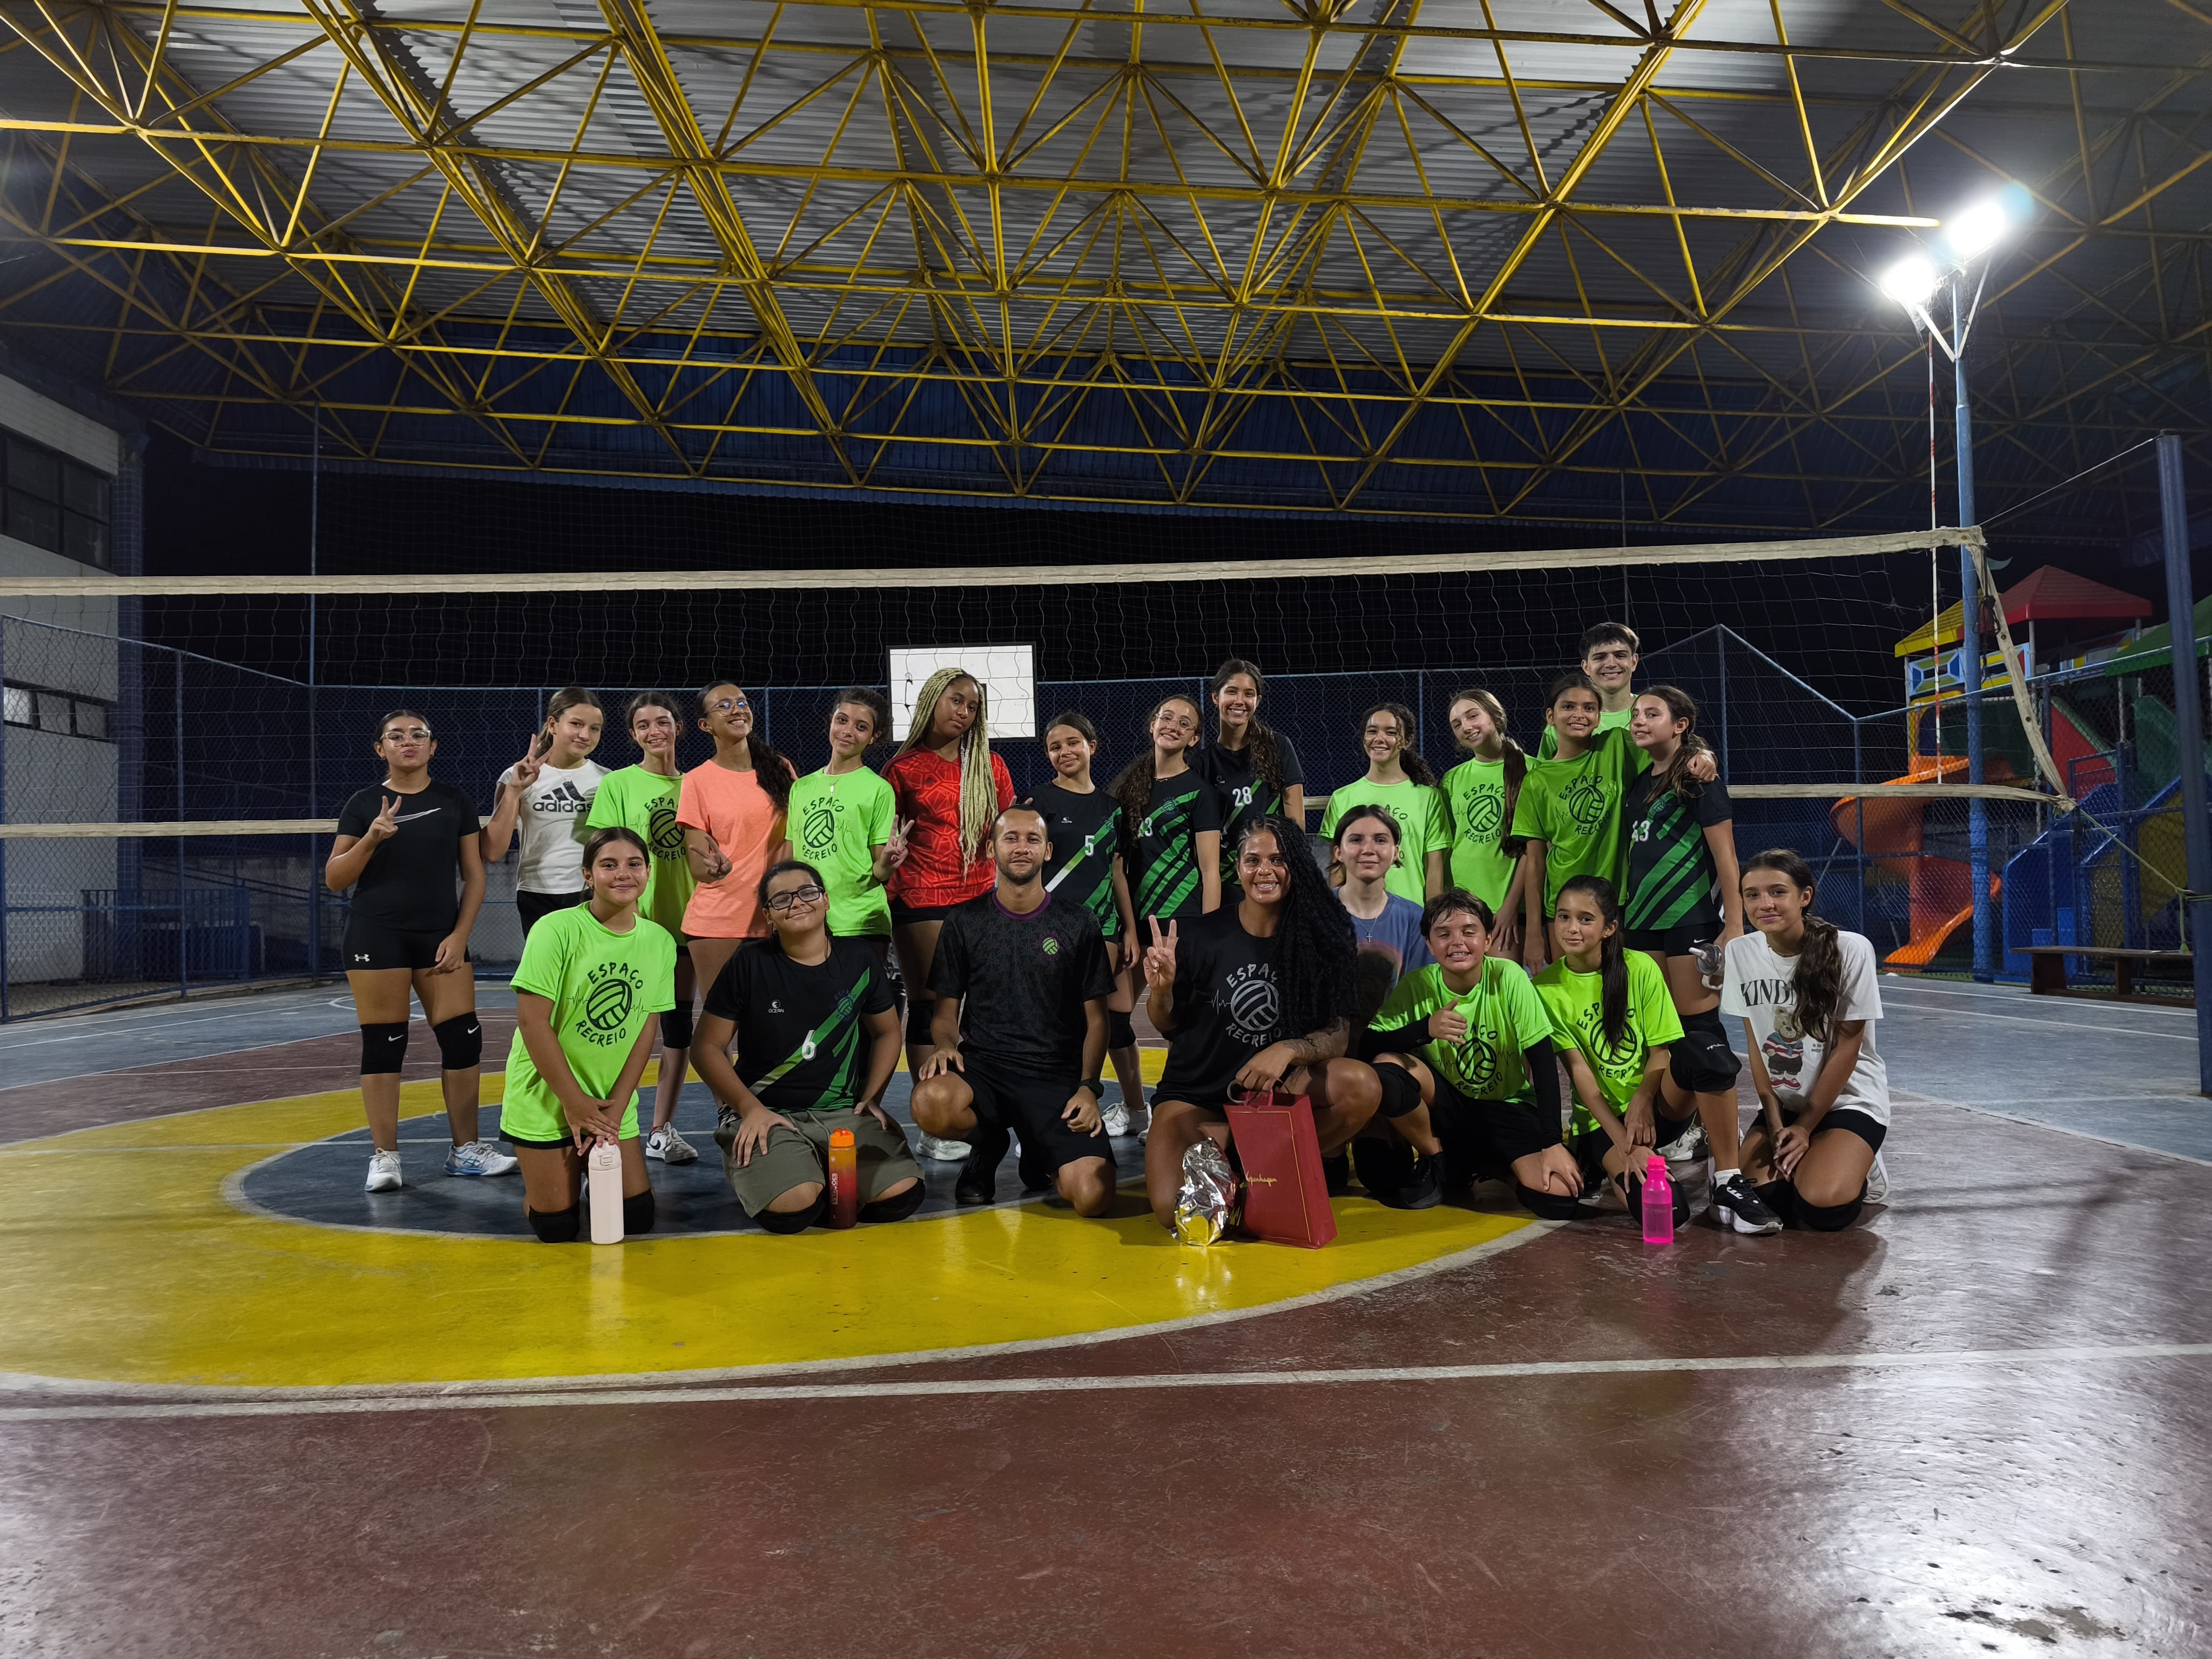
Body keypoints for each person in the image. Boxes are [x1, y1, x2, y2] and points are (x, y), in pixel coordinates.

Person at [1140, 815, 1381, 1232]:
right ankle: (1242, 1168)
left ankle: (1261, 1173)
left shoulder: (1321, 937)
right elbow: (1167, 1024)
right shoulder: (1200, 935)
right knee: (1174, 1212)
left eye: (1278, 860)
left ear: (1298, 867)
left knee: (1361, 1085)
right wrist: (1161, 990)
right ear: (1238, 868)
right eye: (1253, 860)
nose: (1265, 871)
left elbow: (1339, 1034)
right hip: (1196, 1096)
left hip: (1272, 1098)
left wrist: (1288, 1049)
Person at [326, 707, 514, 1191]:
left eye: (418, 735)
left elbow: (475, 876)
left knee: (463, 1037)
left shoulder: (454, 801)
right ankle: (385, 1157)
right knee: (385, 1043)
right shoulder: (364, 803)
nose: (407, 742)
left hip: (439, 937)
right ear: (380, 748)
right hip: (376, 936)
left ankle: (465, 1150)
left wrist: (460, 935)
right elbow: (335, 879)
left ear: (433, 747)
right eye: (395, 736)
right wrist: (371, 837)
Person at [692, 860, 921, 1233]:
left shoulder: (860, 959)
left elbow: (888, 1032)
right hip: (768, 1111)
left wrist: (873, 1097)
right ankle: (780, 1166)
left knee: (902, 1195)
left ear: (826, 901)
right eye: (781, 899)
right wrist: (749, 1109)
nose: (797, 903)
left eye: (807, 893)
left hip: (841, 1113)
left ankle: (811, 1164)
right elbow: (705, 1048)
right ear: (768, 915)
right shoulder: (749, 964)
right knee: (795, 1207)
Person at [911, 807, 1119, 1215]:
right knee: (932, 1101)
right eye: (1011, 838)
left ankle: (1043, 1152)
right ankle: (989, 1144)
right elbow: (944, 1013)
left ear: (1048, 851)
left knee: (1093, 1198)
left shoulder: (1079, 922)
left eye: (1032, 839)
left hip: (1055, 1076)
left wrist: (1088, 1087)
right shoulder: (964, 921)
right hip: (985, 1069)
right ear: (991, 849)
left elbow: (1098, 1020)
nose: (1021, 847)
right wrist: (943, 1044)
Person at [1624, 685, 1773, 1235]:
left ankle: (1726, 1177)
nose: (1640, 721)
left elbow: (1725, 857)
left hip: (1688, 921)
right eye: (1636, 714)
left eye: (1652, 714)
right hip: (1638, 925)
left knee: (1699, 1034)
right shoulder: (1639, 782)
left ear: (1680, 725)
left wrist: (1734, 925)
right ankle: (1677, 1128)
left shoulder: (1697, 776)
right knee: (1652, 1036)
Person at [497, 827, 670, 1242]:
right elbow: (532, 1023)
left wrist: (617, 1111)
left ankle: (583, 1172)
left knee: (638, 1219)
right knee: (557, 1228)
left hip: (609, 1098)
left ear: (648, 873)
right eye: (608, 865)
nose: (623, 874)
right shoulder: (555, 930)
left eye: (634, 865)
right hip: (549, 1098)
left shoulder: (659, 941)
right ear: (588, 876)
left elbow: (647, 1030)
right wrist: (575, 1106)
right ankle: (546, 1187)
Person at [1359, 891, 1576, 1215]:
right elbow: (1368, 1046)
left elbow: (1543, 1062)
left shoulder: (1510, 977)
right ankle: (1439, 1158)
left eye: (1469, 932)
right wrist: (1425, 1030)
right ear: (1430, 945)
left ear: (1488, 939)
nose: (1457, 942)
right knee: (1386, 1066)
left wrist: (1552, 1142)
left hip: (1506, 1108)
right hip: (1448, 1106)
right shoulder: (1419, 984)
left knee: (1558, 1195)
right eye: (1443, 934)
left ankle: (1496, 1169)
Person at [1722, 849, 1893, 1231]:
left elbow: (1848, 1047)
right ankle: (1825, 1156)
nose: (1764, 903)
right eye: (1752, 894)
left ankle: (1862, 1165)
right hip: (1787, 1101)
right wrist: (1775, 1120)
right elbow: (1756, 1046)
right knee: (1763, 1199)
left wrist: (1806, 1126)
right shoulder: (1740, 953)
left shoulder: (1850, 950)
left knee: (1820, 1209)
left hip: (1847, 1099)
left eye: (1777, 892)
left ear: (1805, 896)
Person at [882, 667, 1016, 1138]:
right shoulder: (901, 770)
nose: (965, 712)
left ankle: (984, 1105)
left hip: (981, 899)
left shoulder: (991, 766)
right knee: (928, 1005)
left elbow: (1006, 833)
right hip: (922, 899)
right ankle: (931, 1122)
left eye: (973, 706)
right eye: (957, 701)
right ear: (933, 701)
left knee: (983, 1007)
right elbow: (888, 844)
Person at [1531, 875, 1694, 1230]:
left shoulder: (1640, 968)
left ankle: (1725, 1172)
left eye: (1586, 919)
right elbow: (1581, 1076)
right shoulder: (1544, 989)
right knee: (1668, 1213)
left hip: (1656, 1107)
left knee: (1702, 1055)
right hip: (1601, 1119)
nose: (1572, 929)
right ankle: (1597, 1156)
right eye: (1563, 917)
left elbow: (1660, 1052)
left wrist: (1642, 1099)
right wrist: (1627, 1146)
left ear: (1609, 928)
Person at [585, 691, 700, 1165]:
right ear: (633, 734)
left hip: (692, 923)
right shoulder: (618, 786)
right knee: (626, 1028)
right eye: (644, 725)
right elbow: (603, 856)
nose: (655, 731)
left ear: (679, 727)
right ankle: (605, 1126)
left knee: (679, 1029)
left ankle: (660, 1129)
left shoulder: (698, 783)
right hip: (636, 927)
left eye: (663, 722)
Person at [1035, 711, 1147, 1136]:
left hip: (1103, 929)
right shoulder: (1039, 802)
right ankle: (1050, 1114)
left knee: (1104, 1020)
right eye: (1054, 746)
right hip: (1050, 929)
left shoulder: (1112, 810)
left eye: (1072, 743)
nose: (1064, 751)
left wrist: (1131, 929)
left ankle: (1111, 1106)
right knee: (1053, 1022)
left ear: (1092, 747)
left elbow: (1117, 872)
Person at [1511, 672, 1644, 973]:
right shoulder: (1536, 780)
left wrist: (1699, 753)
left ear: (1599, 718)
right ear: (1551, 716)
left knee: (1617, 992)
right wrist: (1534, 932)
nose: (1579, 715)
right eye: (1568, 707)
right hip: (1562, 907)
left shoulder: (1616, 746)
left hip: (1615, 900)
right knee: (1571, 994)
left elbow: (1668, 747)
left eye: (1589, 708)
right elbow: (1534, 862)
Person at [678, 678, 797, 1004]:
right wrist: (713, 868)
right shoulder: (697, 781)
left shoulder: (780, 768)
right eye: (724, 706)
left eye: (742, 703)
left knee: (771, 1029)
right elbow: (698, 865)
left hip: (778, 916)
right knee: (720, 1030)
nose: (737, 710)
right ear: (706, 725)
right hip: (719, 921)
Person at [783, 687, 908, 959]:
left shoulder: (878, 789)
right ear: (831, 721)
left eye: (861, 727)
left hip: (859, 922)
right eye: (842, 720)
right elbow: (791, 858)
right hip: (808, 920)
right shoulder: (801, 788)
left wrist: (888, 862)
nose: (848, 731)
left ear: (873, 737)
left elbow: (880, 872)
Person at [480, 686, 606, 936]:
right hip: (536, 893)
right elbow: (493, 851)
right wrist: (515, 790)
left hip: (591, 892)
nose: (585, 735)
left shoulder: (606, 780)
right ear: (553, 724)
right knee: (547, 973)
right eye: (576, 724)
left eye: (594, 728)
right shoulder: (517, 776)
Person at [1319, 703, 1447, 906]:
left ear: (1407, 741)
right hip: (1356, 914)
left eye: (1391, 732)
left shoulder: (1428, 797)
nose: (1379, 739)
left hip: (1410, 915)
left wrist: (1432, 918)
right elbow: (1338, 868)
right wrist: (1337, 915)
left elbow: (1433, 868)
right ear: (1364, 739)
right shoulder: (1343, 797)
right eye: (1372, 731)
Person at [1111, 692, 1223, 925]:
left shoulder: (1200, 792)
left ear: (1194, 739)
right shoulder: (1128, 788)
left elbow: (1211, 870)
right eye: (1167, 719)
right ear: (1154, 725)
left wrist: (1210, 930)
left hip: (1181, 912)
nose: (1173, 727)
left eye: (1184, 724)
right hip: (1135, 913)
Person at [1196, 658, 1304, 893]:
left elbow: (1296, 823)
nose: (1240, 701)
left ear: (1258, 701)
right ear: (1216, 697)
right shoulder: (1201, 763)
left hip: (1272, 875)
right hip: (1227, 880)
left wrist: (1295, 870)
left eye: (1249, 694)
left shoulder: (1279, 747)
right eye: (1232, 692)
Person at [1438, 688, 1528, 952]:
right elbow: (1447, 847)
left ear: (1495, 716)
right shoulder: (1451, 780)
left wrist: (1511, 907)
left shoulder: (1533, 771)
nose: (1466, 726)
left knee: (1500, 988)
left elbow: (1533, 851)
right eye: (1457, 724)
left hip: (1506, 910)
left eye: (1472, 716)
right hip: (1461, 905)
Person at [1332, 805, 1432, 980]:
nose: (1368, 849)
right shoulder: (1317, 912)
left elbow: (1420, 988)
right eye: (1356, 840)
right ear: (1339, 852)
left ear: (1396, 852)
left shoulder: (1414, 918)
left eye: (1380, 840)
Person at [1538, 621, 1641, 758]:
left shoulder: (1656, 715)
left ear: (1633, 662)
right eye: (1600, 657)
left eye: (1620, 656)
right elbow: (1547, 772)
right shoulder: (1564, 722)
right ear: (1586, 666)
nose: (1611, 664)